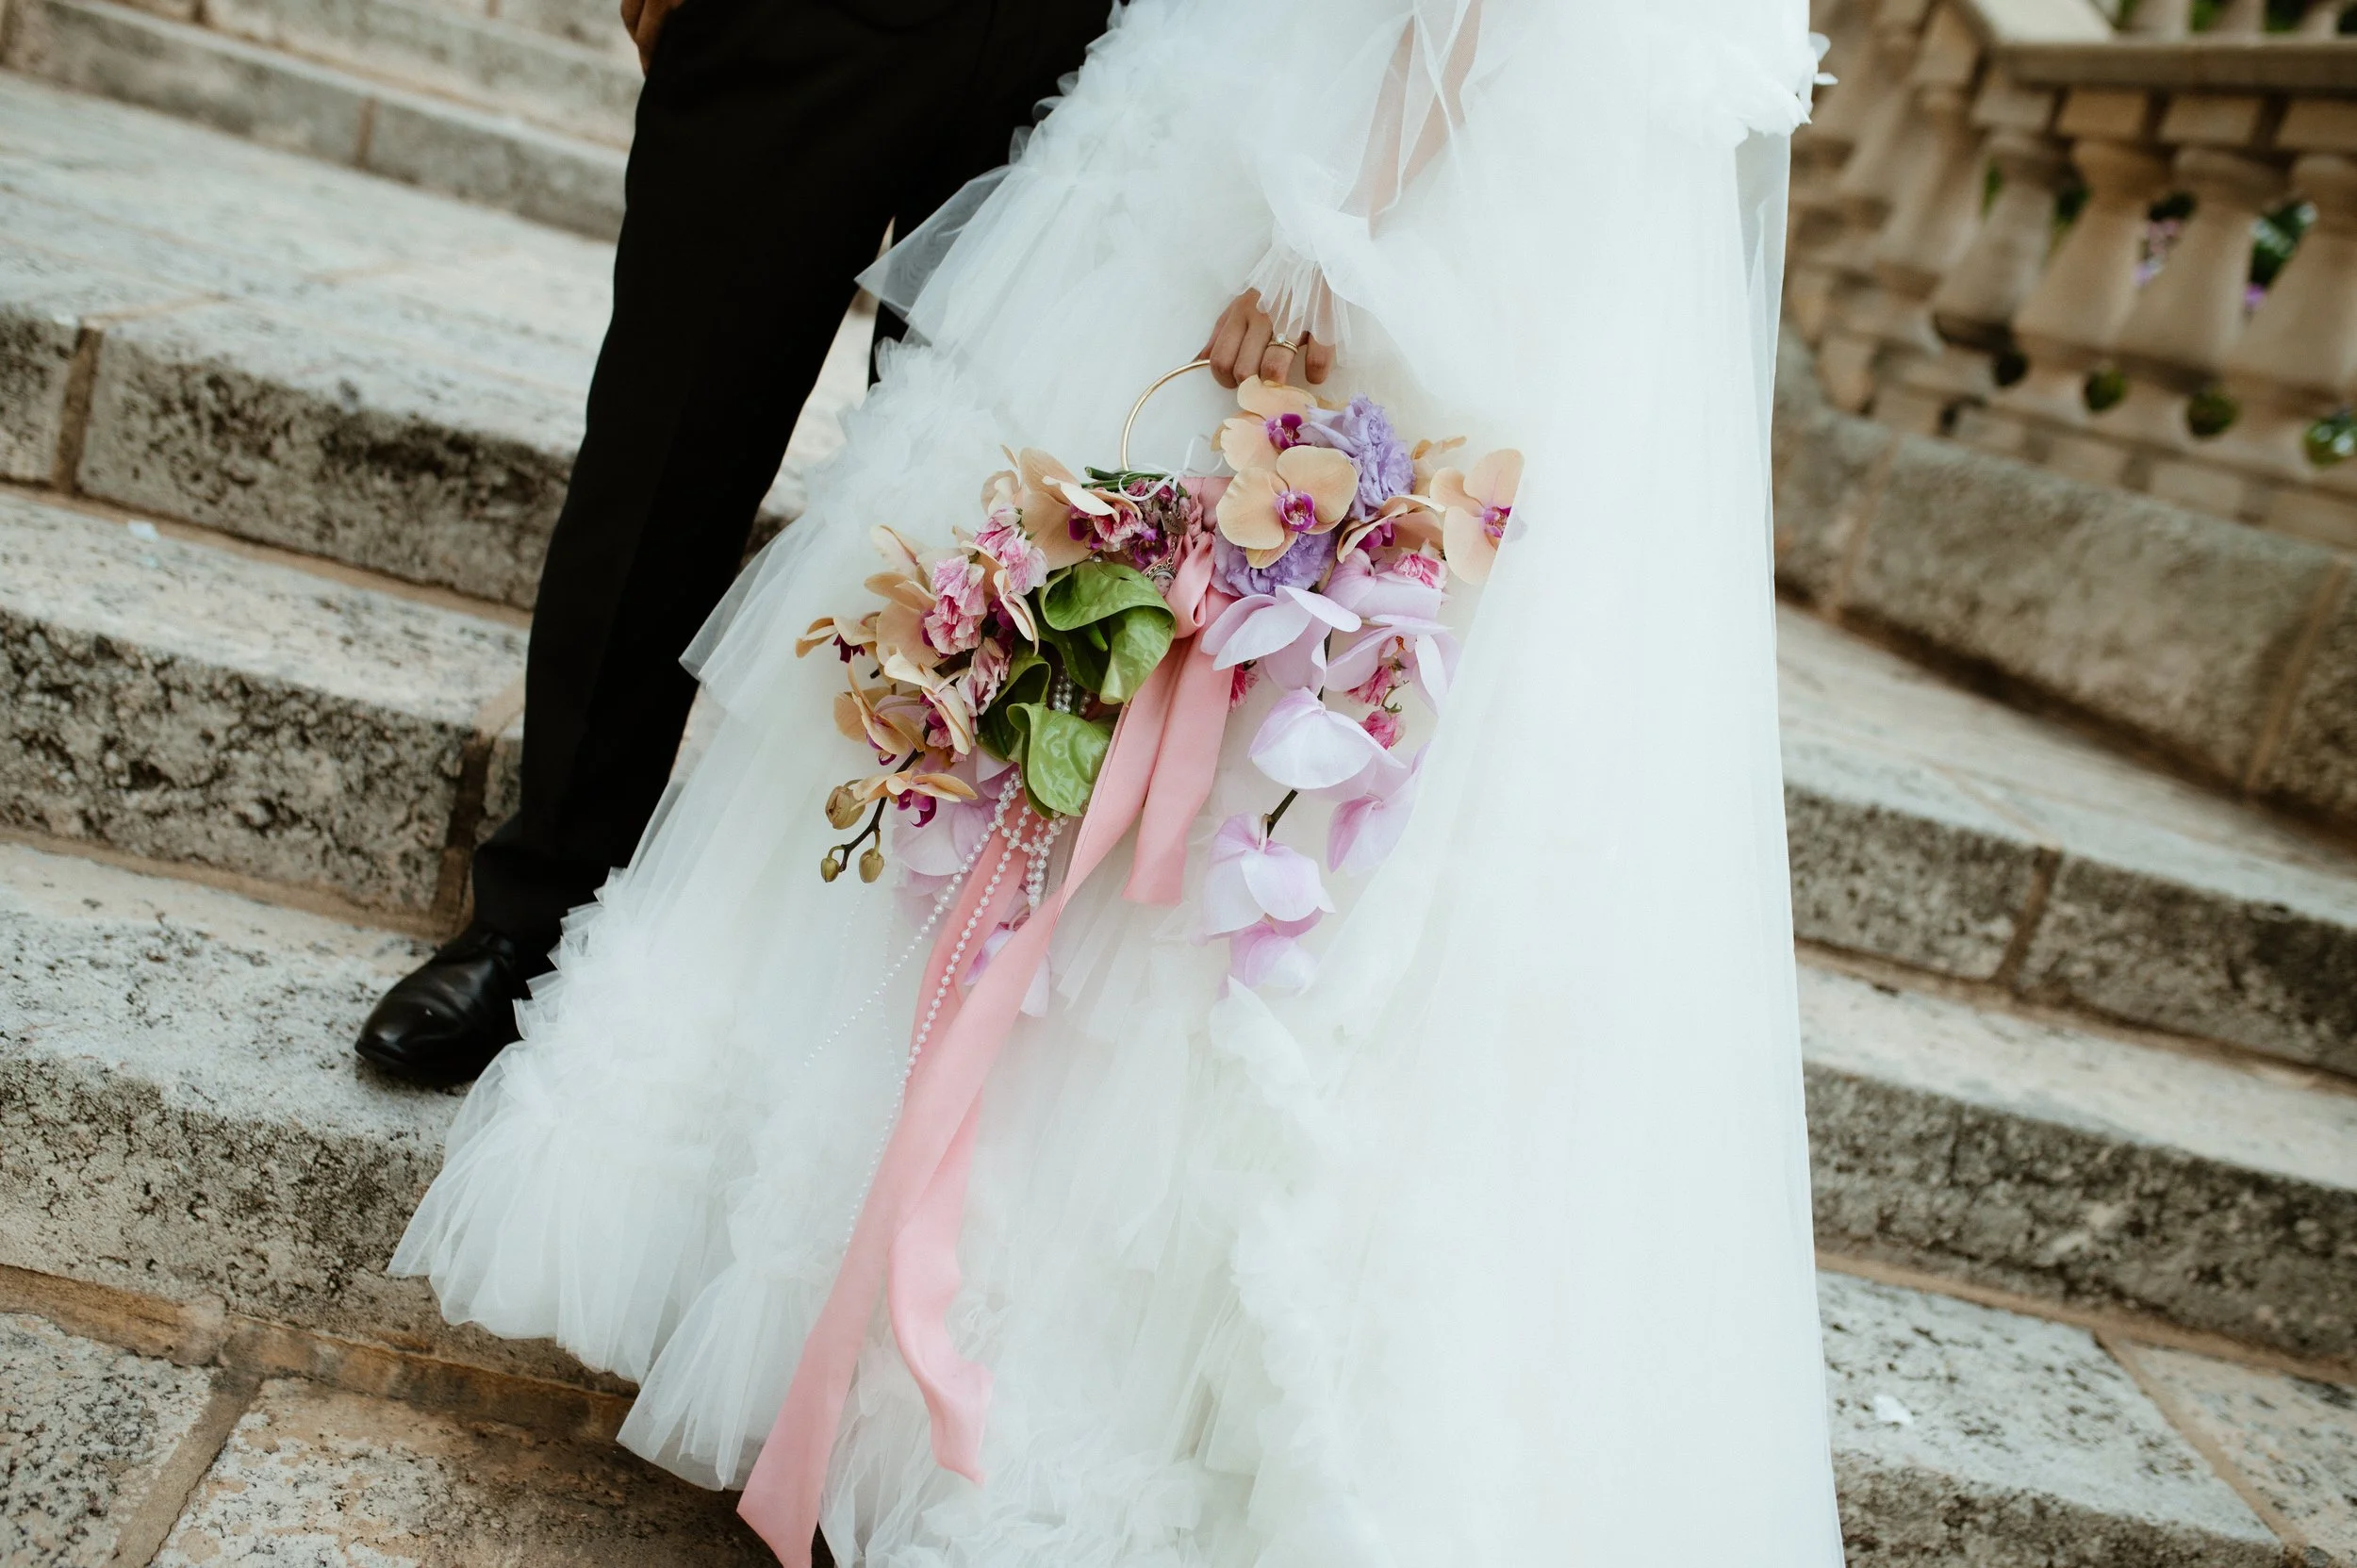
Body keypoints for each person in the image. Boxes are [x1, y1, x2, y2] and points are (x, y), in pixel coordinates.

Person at [394, 2, 1848, 1564]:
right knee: (756, 474)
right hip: (1180, 83)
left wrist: (1334, 225)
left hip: (1255, 99)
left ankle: (924, 1304)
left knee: (1085, 596)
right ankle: (599, 981)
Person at [354, 0, 1119, 1086]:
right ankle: (533, 914)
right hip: (793, 28)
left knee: (963, 525)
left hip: (1072, 43)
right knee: (663, 451)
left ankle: (832, 978)